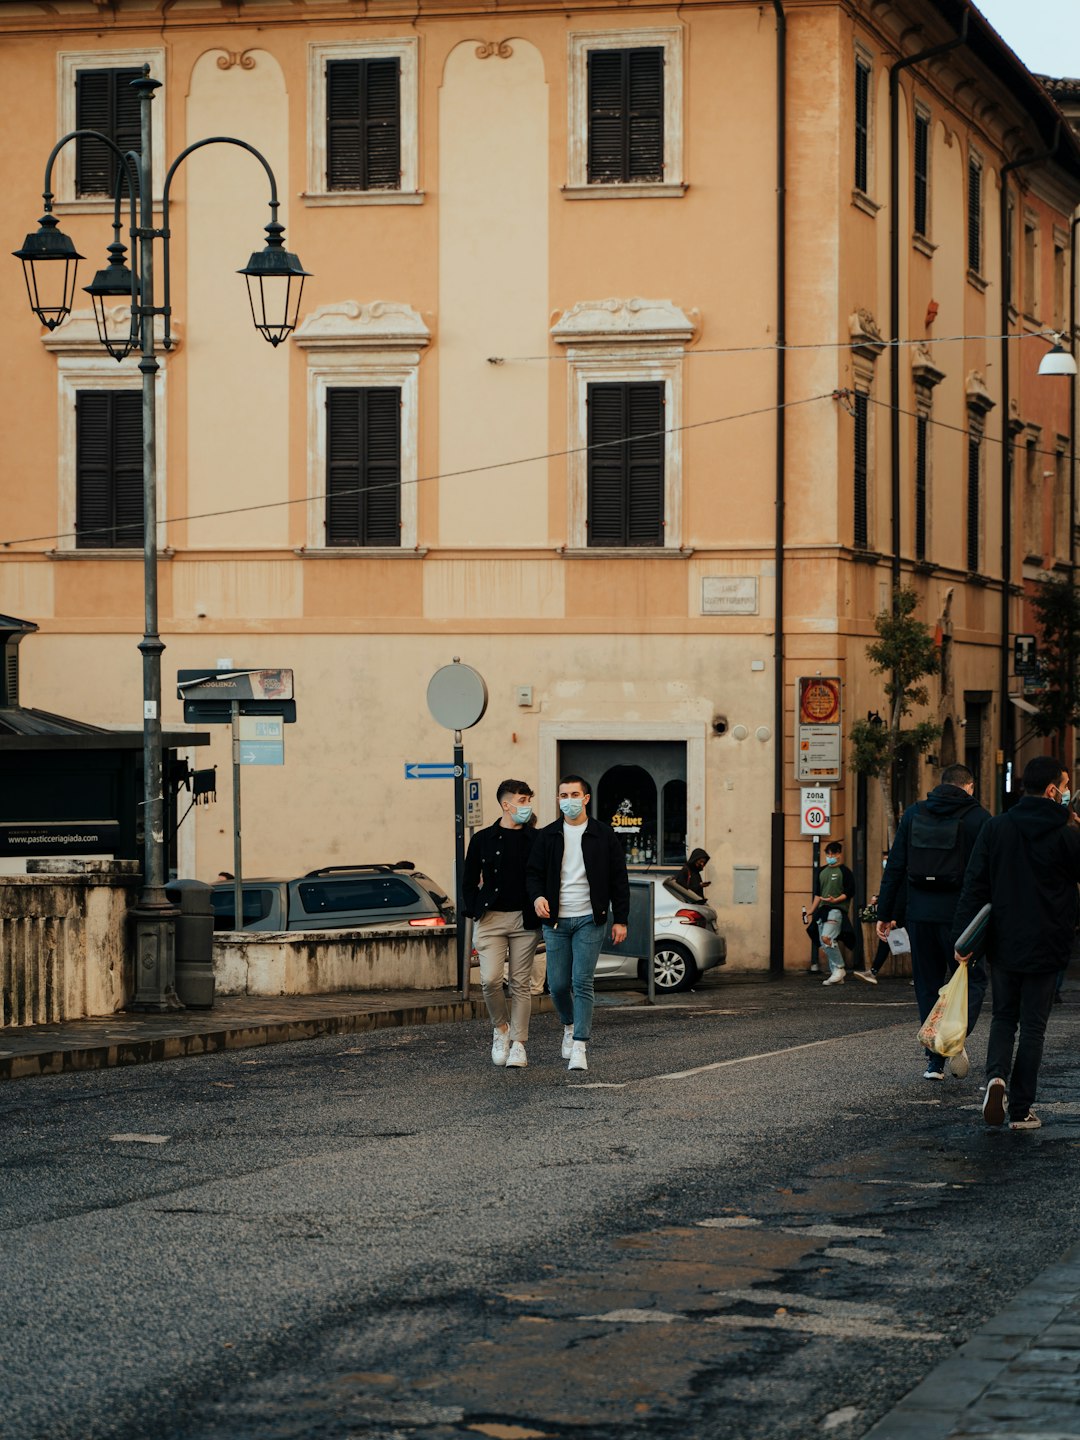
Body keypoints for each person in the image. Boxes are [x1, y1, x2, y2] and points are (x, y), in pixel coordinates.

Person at [953, 755, 1080, 1130]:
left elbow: (975, 883)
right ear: (1053, 789)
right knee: (1034, 1026)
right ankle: (1022, 1109)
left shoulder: (997, 828)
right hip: (1048, 941)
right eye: (1066, 784)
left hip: (1004, 940)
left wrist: (962, 938)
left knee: (1004, 1017)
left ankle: (996, 1080)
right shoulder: (1066, 833)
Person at [876, 763, 990, 1081]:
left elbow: (896, 866)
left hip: (920, 916)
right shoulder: (979, 818)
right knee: (973, 981)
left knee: (927, 986)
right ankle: (954, 1039)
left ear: (941, 785)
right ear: (969, 787)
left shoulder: (914, 814)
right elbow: (989, 871)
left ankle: (934, 1063)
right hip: (962, 919)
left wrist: (886, 914)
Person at [526, 774, 629, 1073]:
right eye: (562, 795)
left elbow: (618, 880)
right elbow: (532, 874)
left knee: (582, 982)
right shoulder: (547, 835)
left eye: (573, 795)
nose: (567, 801)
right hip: (556, 920)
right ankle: (569, 1025)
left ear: (585, 799)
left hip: (590, 919)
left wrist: (620, 919)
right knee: (557, 985)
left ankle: (580, 1045)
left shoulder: (603, 834)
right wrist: (537, 898)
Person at [462, 779, 540, 1069]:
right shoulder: (483, 839)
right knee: (490, 980)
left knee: (520, 983)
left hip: (524, 918)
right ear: (506, 804)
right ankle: (501, 1029)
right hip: (491, 918)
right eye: (521, 800)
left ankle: (519, 1044)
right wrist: (474, 909)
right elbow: (468, 880)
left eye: (528, 800)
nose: (526, 806)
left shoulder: (537, 839)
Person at [806, 840, 855, 985]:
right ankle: (836, 974)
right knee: (824, 941)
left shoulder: (845, 872)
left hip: (836, 910)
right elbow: (818, 894)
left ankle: (839, 968)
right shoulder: (821, 871)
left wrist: (836, 900)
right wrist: (810, 911)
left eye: (833, 853)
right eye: (828, 854)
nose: (831, 856)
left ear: (839, 854)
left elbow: (849, 892)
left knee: (827, 937)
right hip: (822, 910)